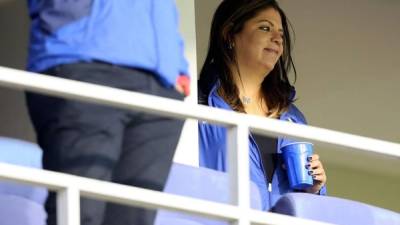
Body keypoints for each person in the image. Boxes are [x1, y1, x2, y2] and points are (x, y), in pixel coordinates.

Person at [25, 1, 189, 225]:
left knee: (134, 219)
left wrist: (178, 68)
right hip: (83, 60)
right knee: (80, 213)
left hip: (162, 79)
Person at [198, 0, 327, 211]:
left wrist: (315, 190)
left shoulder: (293, 117)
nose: (277, 39)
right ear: (230, 34)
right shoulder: (199, 102)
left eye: (281, 35)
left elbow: (308, 209)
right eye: (265, 28)